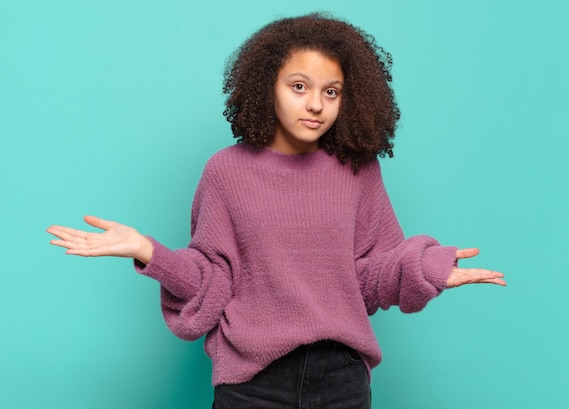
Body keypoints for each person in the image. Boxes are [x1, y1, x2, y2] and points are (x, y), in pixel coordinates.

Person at [47, 13, 505, 409]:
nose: (315, 104)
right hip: (252, 383)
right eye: (300, 86)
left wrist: (422, 268)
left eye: (331, 91)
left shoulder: (357, 169)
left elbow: (366, 278)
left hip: (341, 379)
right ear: (269, 86)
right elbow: (212, 279)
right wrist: (150, 252)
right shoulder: (226, 171)